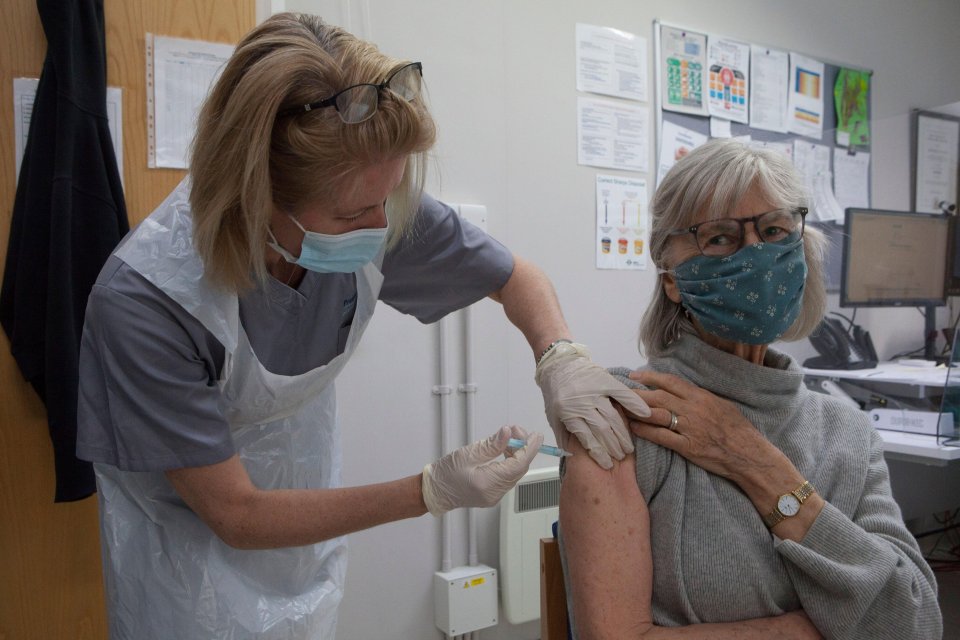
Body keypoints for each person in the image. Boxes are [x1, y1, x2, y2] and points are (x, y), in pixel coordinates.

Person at [74, 12, 650, 640]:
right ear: (254, 192)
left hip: (306, 541)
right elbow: (236, 516)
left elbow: (517, 278)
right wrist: (431, 490)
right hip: (181, 573)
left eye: (390, 196)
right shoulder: (146, 303)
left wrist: (559, 356)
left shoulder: (369, 203)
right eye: (354, 214)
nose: (382, 227)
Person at [559, 139, 942, 639]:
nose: (757, 255)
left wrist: (755, 462)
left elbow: (917, 623)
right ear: (671, 278)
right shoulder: (627, 414)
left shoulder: (848, 432)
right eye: (719, 237)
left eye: (775, 230)